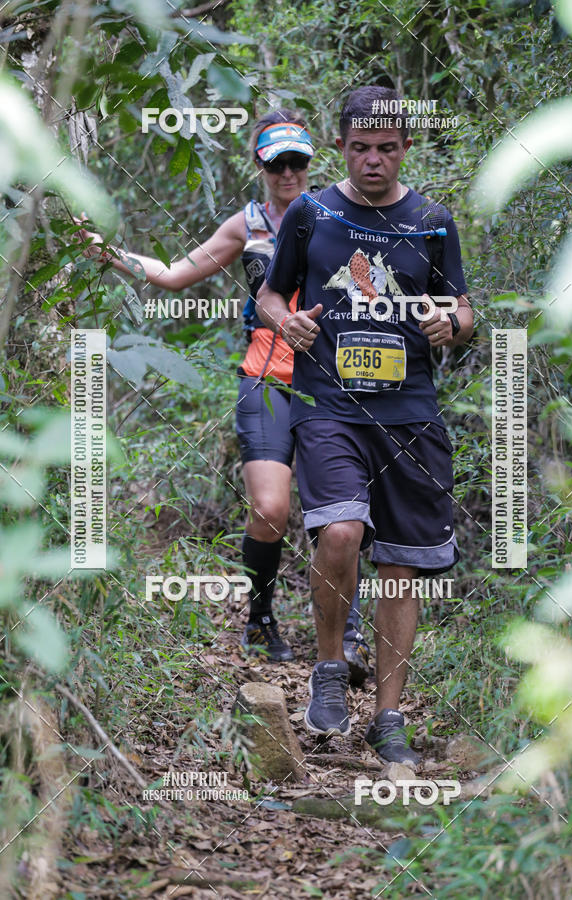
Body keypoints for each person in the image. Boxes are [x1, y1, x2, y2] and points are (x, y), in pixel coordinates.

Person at [75, 109, 371, 680]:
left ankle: (348, 634)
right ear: (259, 164)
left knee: (342, 514)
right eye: (276, 162)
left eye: (298, 161)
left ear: (313, 162)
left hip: (336, 381)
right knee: (271, 508)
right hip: (266, 377)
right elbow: (173, 274)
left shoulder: (343, 214)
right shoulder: (250, 223)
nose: (288, 172)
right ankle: (260, 617)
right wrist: (108, 253)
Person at [256, 85, 474, 763]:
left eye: (385, 149)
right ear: (342, 146)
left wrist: (451, 323)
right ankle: (327, 669)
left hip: (409, 414)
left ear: (406, 147)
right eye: (359, 149)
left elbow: (464, 308)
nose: (372, 162)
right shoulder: (311, 213)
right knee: (341, 531)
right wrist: (283, 321)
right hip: (330, 406)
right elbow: (267, 292)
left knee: (400, 569)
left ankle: (388, 718)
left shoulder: (433, 221)